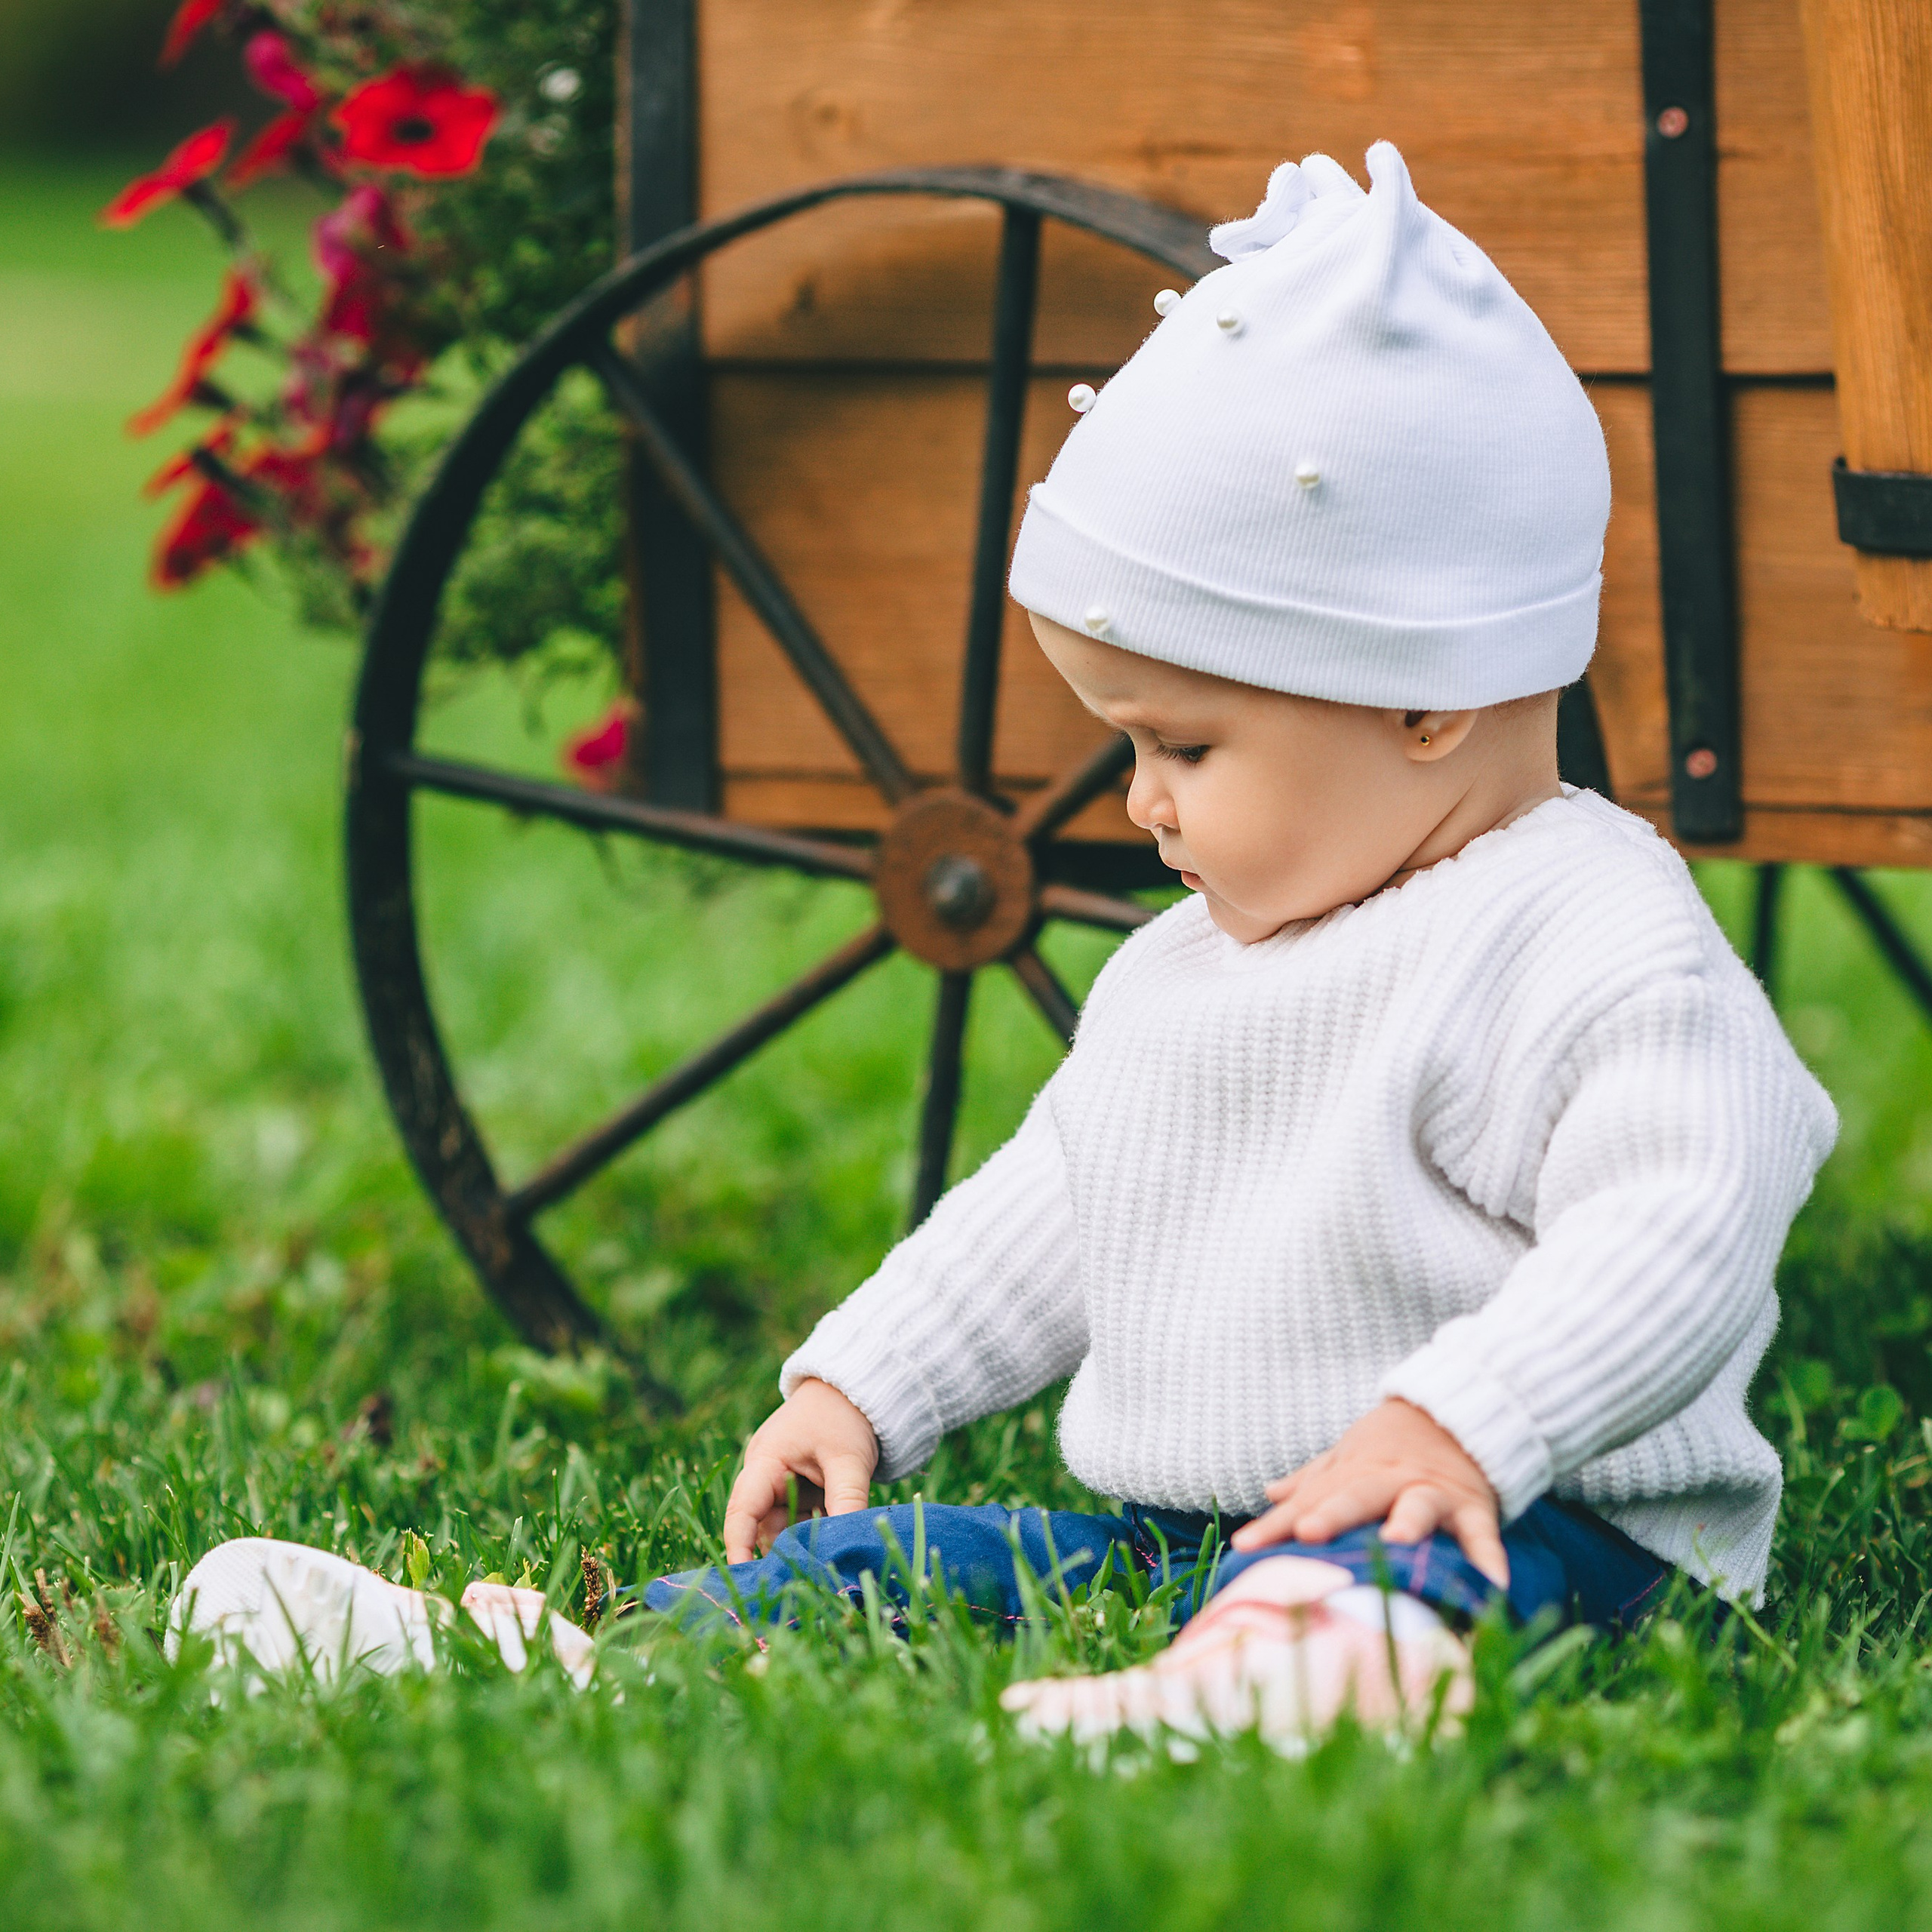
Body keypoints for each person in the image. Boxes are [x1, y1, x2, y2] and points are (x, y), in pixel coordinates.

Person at [175, 143, 1835, 1743]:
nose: (1138, 804)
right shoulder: (1197, 959)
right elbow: (1063, 1196)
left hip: (1541, 1527)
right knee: (888, 1565)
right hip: (1207, 1529)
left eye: (1184, 748)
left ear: (1425, 699)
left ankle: (1285, 1687)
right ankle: (578, 1652)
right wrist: (868, 1381)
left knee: (1377, 1585)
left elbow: (1676, 1225)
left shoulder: (1589, 936)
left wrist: (1466, 1419)